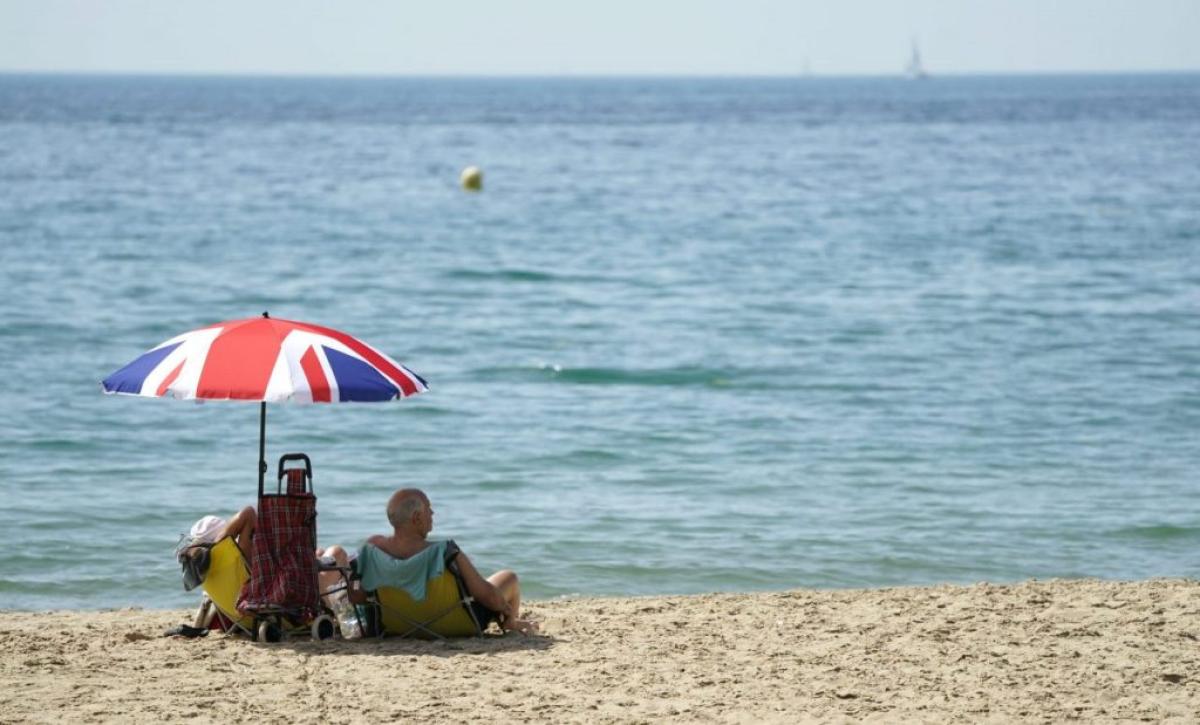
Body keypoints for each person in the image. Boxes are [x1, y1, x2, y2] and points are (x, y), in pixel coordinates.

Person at [360, 488, 538, 634]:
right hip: (458, 625)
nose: (432, 512)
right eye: (428, 508)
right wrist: (504, 609)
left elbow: (359, 597)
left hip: (396, 626)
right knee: (509, 577)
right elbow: (488, 596)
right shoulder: (445, 551)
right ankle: (510, 624)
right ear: (417, 518)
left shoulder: (374, 550)